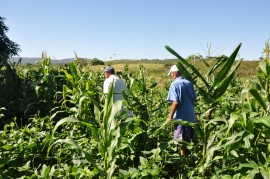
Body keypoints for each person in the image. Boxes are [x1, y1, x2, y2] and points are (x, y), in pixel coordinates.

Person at [167, 65, 197, 156]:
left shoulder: (174, 84)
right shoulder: (189, 83)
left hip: (181, 118)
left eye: (172, 74)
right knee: (188, 141)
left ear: (175, 73)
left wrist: (170, 117)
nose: (172, 76)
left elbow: (175, 103)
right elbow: (195, 98)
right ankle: (190, 159)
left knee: (181, 142)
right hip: (191, 116)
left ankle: (183, 161)